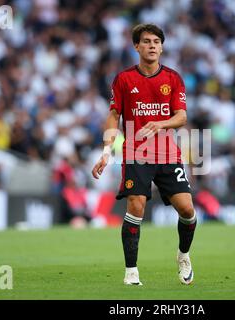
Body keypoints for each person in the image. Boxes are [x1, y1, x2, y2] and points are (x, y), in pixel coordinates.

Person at [92, 24, 197, 286]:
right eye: (146, 41)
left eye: (156, 42)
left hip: (167, 154)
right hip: (136, 153)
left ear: (162, 47)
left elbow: (182, 116)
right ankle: (131, 272)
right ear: (136, 46)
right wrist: (106, 150)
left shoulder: (173, 78)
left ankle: (183, 255)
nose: (152, 46)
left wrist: (160, 124)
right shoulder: (124, 79)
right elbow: (114, 115)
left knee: (187, 210)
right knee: (135, 206)